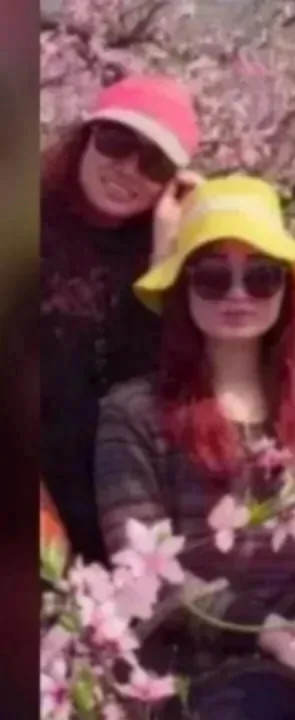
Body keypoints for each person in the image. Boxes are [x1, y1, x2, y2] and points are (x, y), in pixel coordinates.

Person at [94, 176, 295, 720]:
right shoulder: (134, 413)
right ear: (183, 291)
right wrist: (268, 634)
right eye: (212, 277)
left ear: (287, 289)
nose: (238, 295)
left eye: (263, 277)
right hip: (191, 675)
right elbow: (144, 572)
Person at [41, 75, 203, 561]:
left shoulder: (175, 256)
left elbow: (162, 379)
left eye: (154, 163)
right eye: (115, 142)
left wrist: (164, 258)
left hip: (121, 504)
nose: (128, 169)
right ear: (86, 137)